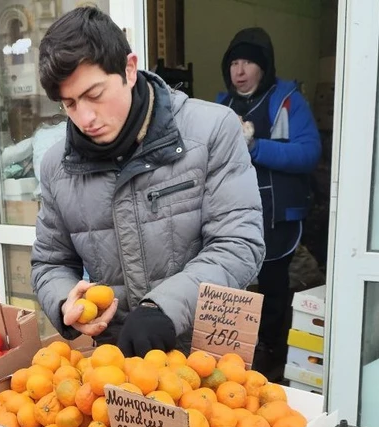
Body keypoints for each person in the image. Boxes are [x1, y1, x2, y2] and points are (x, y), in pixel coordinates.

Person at [31, 7, 265, 357]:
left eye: (94, 94)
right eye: (70, 104)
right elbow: (50, 262)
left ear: (128, 68)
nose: (86, 118)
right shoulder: (57, 167)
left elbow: (239, 243)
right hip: (115, 365)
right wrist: (66, 301)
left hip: (205, 362)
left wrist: (165, 307)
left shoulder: (211, 130)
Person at [217, 27, 322, 375]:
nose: (240, 71)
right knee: (231, 287)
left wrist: (256, 146)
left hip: (276, 217)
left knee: (273, 288)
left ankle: (270, 354)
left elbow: (309, 153)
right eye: (234, 62)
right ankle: (234, 354)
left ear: (265, 67)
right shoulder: (221, 107)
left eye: (248, 62)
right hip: (230, 216)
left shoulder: (288, 101)